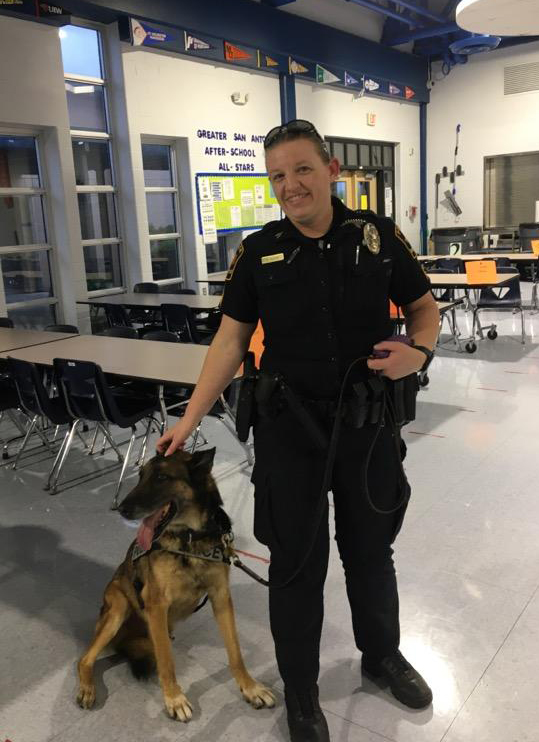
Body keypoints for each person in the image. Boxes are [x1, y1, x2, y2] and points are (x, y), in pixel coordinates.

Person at [157, 119, 440, 742]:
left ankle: (382, 656)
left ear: (331, 169)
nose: (290, 185)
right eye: (278, 175)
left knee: (371, 552)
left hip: (367, 427)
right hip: (290, 433)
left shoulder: (378, 237)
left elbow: (424, 309)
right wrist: (190, 417)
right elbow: (229, 340)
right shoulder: (258, 251)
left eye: (302, 169)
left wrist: (418, 354)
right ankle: (302, 692)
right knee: (294, 565)